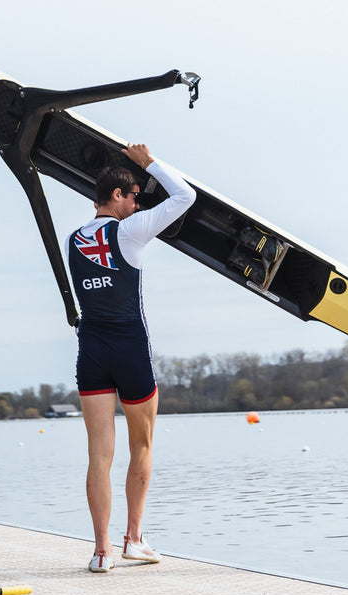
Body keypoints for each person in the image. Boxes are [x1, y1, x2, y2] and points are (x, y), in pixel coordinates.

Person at [65, 143, 196, 573]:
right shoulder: (130, 230)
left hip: (92, 352)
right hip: (130, 349)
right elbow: (185, 197)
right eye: (135, 196)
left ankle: (100, 552)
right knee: (142, 445)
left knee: (98, 456)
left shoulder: (74, 239)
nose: (139, 204)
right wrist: (148, 161)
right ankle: (133, 541)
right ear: (118, 195)